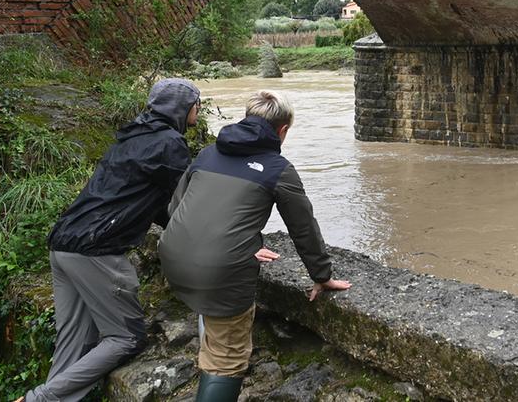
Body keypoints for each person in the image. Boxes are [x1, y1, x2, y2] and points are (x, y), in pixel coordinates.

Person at [159, 90, 350, 401]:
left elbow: (175, 209)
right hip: (219, 272)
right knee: (227, 359)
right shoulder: (278, 168)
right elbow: (303, 229)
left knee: (214, 325)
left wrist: (241, 240)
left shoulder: (207, 153)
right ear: (283, 130)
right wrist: (322, 275)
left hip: (173, 256)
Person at [19, 78, 202, 402]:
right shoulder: (170, 142)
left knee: (75, 341)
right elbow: (189, 200)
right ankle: (37, 400)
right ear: (184, 108)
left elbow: (157, 202)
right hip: (96, 249)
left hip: (64, 243)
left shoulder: (133, 134)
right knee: (127, 338)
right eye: (196, 104)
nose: (198, 111)